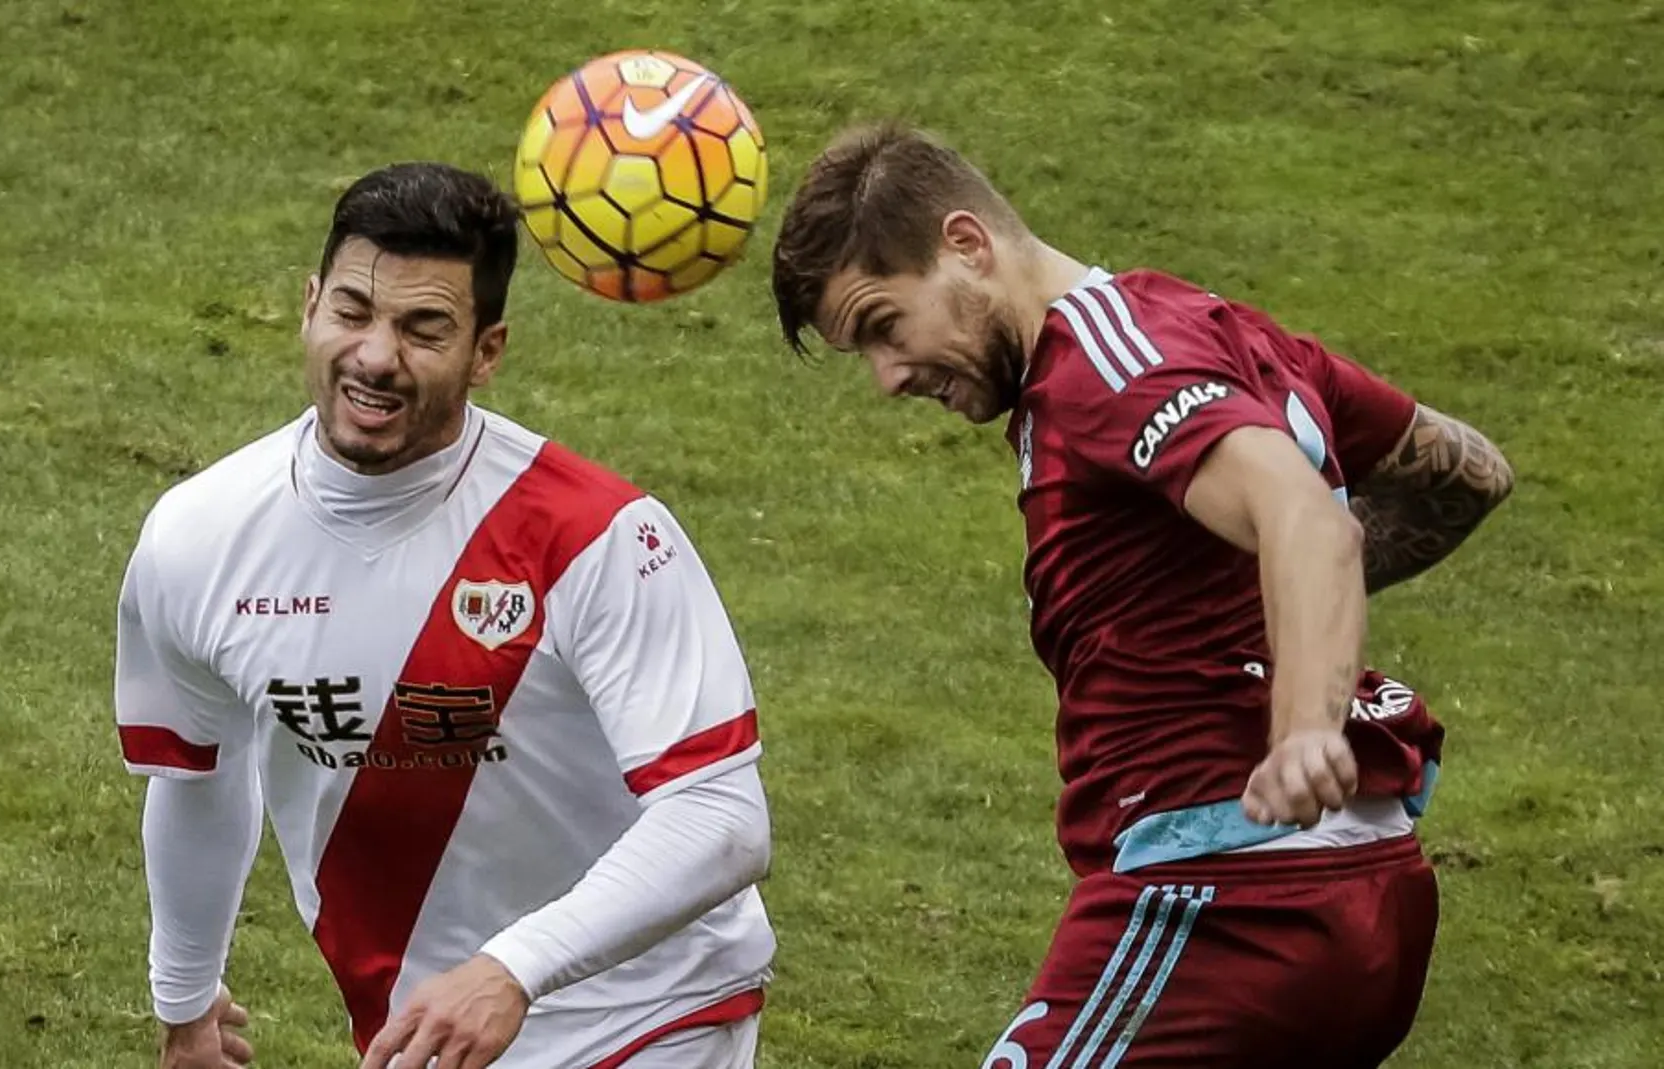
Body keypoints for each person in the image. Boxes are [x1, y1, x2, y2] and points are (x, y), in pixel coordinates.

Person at [769, 123, 1513, 1067]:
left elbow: (1310, 522)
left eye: (885, 325)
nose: (887, 378)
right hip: (1359, 886)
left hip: (1230, 899)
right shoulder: (1215, 328)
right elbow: (1470, 474)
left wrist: (1305, 727)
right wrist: (1273, 603)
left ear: (967, 243)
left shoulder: (1106, 367)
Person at [114, 162, 774, 1069]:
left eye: (424, 330)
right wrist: (185, 1000)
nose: (376, 357)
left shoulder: (597, 537)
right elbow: (196, 773)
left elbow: (720, 815)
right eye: (353, 312)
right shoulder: (199, 536)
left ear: (487, 351)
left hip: (645, 1014)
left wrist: (513, 968)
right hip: (424, 1038)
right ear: (308, 306)